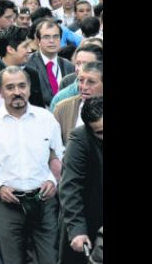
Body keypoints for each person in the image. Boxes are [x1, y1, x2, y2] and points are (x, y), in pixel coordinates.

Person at [0, 66, 64, 264]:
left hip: (44, 201)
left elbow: (58, 156)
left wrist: (51, 181)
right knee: (10, 260)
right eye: (10, 87)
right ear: (0, 91)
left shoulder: (46, 119)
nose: (17, 92)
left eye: (22, 86)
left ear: (29, 88)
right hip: (7, 204)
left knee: (50, 259)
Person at [59, 96, 103, 264]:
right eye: (100, 132)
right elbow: (71, 187)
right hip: (88, 218)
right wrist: (77, 230)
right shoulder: (80, 139)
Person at [25, 20, 75, 107]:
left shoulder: (69, 66)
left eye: (56, 36)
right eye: (46, 37)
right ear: (38, 40)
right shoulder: (28, 64)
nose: (52, 41)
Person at [53, 62, 103, 145]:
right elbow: (54, 145)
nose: (84, 87)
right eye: (81, 80)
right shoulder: (62, 108)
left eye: (91, 82)